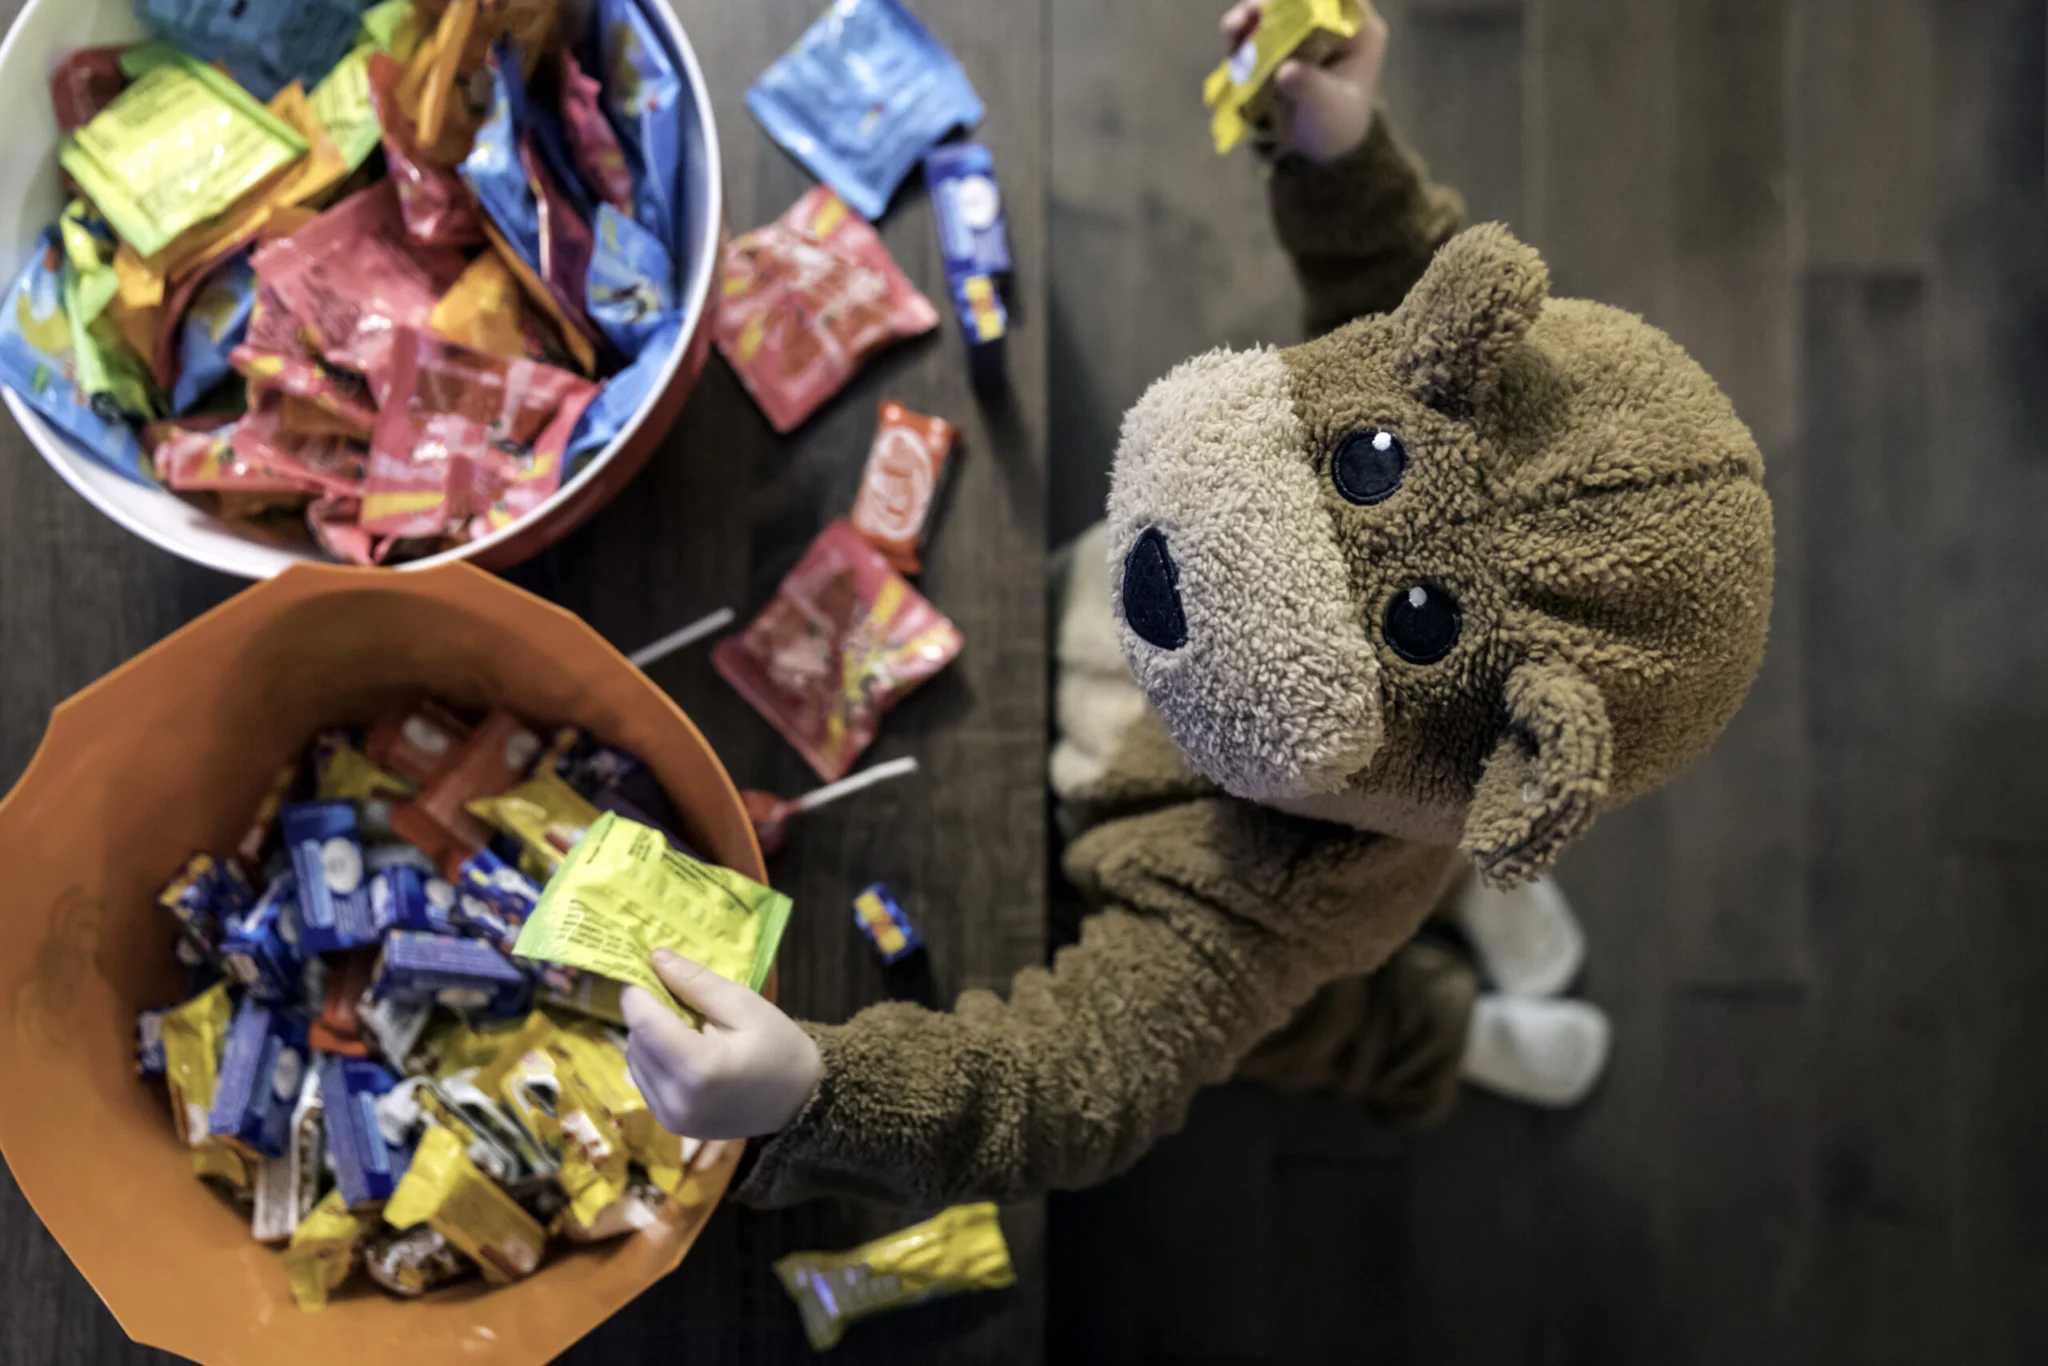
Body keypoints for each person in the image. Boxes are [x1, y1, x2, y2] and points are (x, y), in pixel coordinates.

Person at [618, 0, 1769, 1208]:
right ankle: (1496, 882)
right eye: (1364, 456)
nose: (1206, 552)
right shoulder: (1428, 372)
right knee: (1437, 817)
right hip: (1214, 720)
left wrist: (814, 1089)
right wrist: (1341, 147)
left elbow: (1081, 1081)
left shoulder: (1283, 889)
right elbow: (1394, 285)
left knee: (1307, 1022)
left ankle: (1441, 1033)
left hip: (1241, 871)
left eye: (1419, 621)